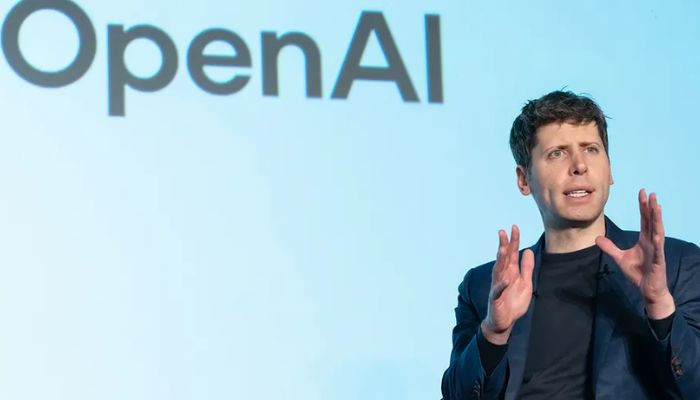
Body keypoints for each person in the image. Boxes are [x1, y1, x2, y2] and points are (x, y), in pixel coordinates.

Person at [440, 90, 700, 400]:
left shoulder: (677, 264)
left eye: (591, 149)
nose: (579, 166)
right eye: (557, 153)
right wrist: (494, 332)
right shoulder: (484, 285)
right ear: (524, 179)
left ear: (610, 169)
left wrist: (659, 304)